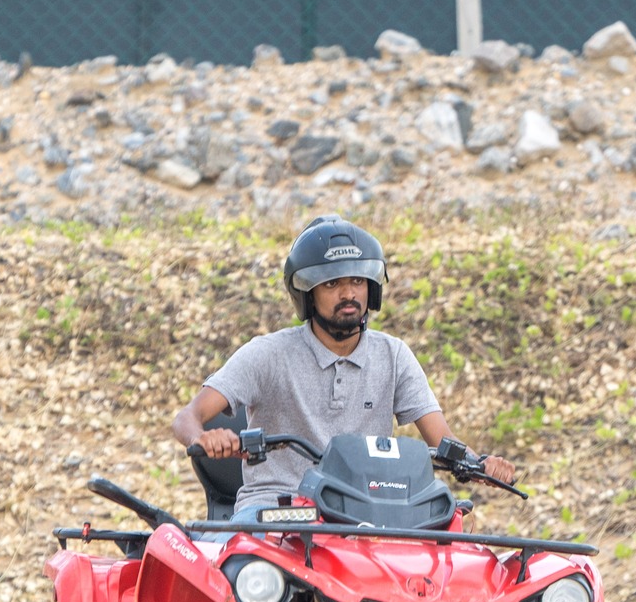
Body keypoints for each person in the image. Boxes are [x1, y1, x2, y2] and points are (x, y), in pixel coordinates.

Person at [172, 216, 516, 522]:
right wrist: (204, 436)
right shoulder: (269, 353)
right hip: (278, 512)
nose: (348, 293)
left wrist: (480, 464)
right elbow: (187, 417)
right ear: (307, 293)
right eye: (332, 284)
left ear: (373, 288)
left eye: (357, 281)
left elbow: (444, 441)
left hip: (366, 512)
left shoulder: (393, 355)